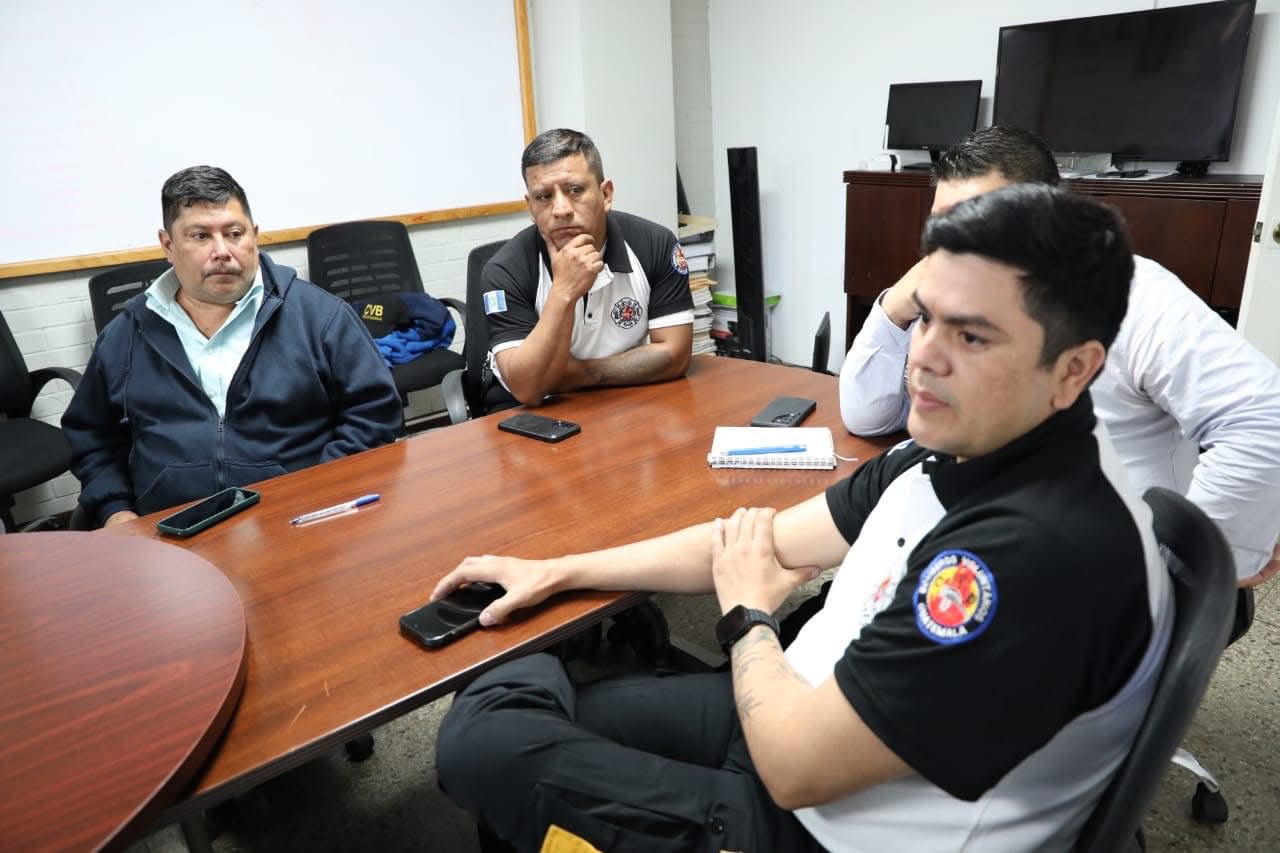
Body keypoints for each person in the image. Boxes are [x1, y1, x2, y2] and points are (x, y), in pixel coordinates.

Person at [432, 185, 1172, 852]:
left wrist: (748, 615)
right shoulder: (954, 445)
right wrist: (558, 570)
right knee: (518, 700)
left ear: (1074, 369)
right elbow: (755, 542)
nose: (923, 359)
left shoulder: (1029, 552)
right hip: (798, 699)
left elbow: (792, 769)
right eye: (926, 319)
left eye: (971, 336)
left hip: (809, 817)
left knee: (483, 742)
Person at [840, 125, 1280, 587]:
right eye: (945, 228)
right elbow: (866, 417)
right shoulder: (952, 299)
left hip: (1089, 568)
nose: (959, 248)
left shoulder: (1134, 295)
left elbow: (1264, 419)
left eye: (984, 224)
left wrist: (1190, 568)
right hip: (983, 532)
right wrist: (895, 307)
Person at [64, 166, 401, 527]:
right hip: (172, 527)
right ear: (168, 245)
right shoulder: (126, 335)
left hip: (298, 520)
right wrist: (116, 511)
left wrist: (318, 489)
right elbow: (92, 436)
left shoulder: (320, 317)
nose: (222, 251)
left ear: (254, 235)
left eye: (234, 233)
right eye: (200, 236)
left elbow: (374, 413)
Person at [481, 128, 694, 407]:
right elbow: (529, 389)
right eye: (544, 196)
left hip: (625, 395)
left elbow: (675, 356)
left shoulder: (656, 245)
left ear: (606, 194)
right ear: (530, 207)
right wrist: (563, 292)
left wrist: (582, 373)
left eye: (575, 190)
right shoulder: (504, 270)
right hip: (530, 409)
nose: (560, 210)